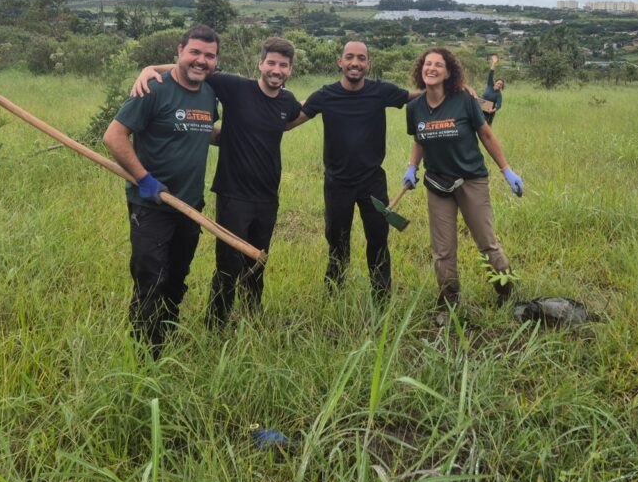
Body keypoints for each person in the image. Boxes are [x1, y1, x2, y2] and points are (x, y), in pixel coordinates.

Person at [131, 37, 301, 328]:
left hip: (268, 196)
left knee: (258, 261)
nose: (276, 69)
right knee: (229, 264)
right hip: (233, 194)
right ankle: (216, 323)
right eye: (271, 62)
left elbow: (286, 122)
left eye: (283, 65)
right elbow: (194, 67)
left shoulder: (288, 103)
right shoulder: (235, 88)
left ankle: (252, 315)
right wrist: (150, 67)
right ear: (260, 64)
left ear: (290, 70)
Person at [104, 25, 220, 358]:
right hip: (151, 205)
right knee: (150, 280)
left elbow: (202, 128)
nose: (200, 61)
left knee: (177, 277)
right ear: (179, 50)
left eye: (209, 55)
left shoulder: (210, 91)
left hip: (190, 205)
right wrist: (145, 180)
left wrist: (231, 138)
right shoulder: (153, 88)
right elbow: (114, 137)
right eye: (194, 52)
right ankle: (143, 355)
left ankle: (165, 338)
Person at [286, 40, 413, 302]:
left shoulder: (382, 92)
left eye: (361, 58)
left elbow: (417, 96)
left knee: (378, 240)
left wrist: (455, 89)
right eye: (350, 57)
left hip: (373, 183)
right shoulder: (325, 95)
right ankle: (334, 296)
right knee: (337, 242)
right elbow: (291, 121)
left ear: (368, 64)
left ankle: (381, 300)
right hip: (337, 184)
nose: (355, 63)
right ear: (340, 62)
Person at [403, 47, 525, 318]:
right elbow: (419, 139)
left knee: (486, 241)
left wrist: (506, 170)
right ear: (420, 70)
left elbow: (486, 135)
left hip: (471, 179)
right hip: (437, 184)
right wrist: (412, 166)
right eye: (427, 64)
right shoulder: (414, 108)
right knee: (443, 250)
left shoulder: (464, 100)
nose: (431, 68)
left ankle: (507, 293)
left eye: (438, 65)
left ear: (448, 72)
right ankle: (449, 303)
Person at [479, 54, 505, 126]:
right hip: (480, 107)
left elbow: (498, 106)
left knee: (485, 127)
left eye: (501, 84)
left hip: (488, 112)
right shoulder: (490, 85)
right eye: (498, 83)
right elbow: (491, 73)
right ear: (495, 82)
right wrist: (494, 62)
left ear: (502, 87)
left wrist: (492, 110)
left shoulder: (498, 94)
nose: (499, 85)